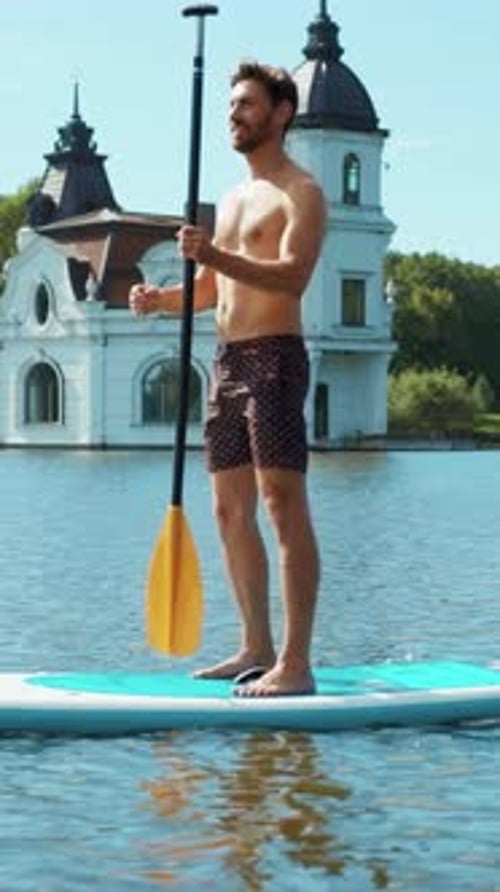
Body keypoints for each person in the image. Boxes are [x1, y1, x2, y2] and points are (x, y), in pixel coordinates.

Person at [129, 61, 326, 696]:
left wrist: (210, 252)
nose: (234, 114)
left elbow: (292, 276)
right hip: (227, 362)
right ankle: (255, 645)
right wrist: (159, 300)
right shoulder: (234, 197)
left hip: (274, 359)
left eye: (246, 104)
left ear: (281, 112)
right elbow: (216, 288)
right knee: (226, 508)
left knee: (281, 505)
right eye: (231, 105)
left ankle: (295, 665)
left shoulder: (302, 192)